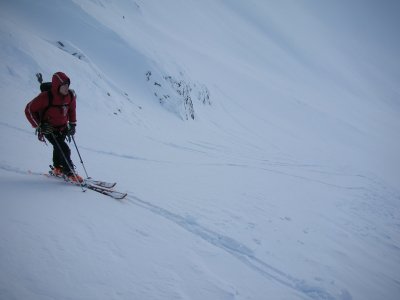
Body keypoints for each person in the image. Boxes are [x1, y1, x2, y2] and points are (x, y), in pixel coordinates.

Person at [25, 71, 83, 183]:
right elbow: (29, 109)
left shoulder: (70, 96)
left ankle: (57, 168)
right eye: (64, 86)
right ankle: (69, 172)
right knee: (65, 149)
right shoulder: (45, 97)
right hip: (49, 129)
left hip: (63, 128)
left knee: (58, 148)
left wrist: (72, 125)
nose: (66, 88)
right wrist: (39, 126)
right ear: (57, 86)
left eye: (68, 85)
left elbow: (71, 110)